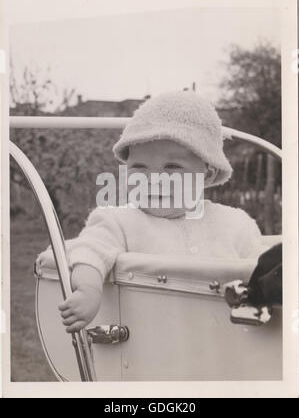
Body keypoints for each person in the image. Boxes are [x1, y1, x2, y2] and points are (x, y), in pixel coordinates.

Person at [38, 91, 263, 333]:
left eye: (172, 166)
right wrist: (89, 291)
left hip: (223, 346)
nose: (153, 179)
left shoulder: (234, 223)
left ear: (206, 174)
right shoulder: (119, 221)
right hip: (151, 343)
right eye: (139, 167)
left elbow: (264, 267)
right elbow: (89, 251)